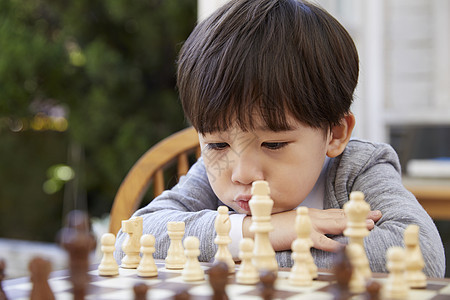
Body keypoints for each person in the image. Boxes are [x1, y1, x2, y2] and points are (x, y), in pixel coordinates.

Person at [114, 0, 445, 277]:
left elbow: (423, 256)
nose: (242, 173)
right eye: (217, 144)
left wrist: (247, 255)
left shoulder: (359, 168)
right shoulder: (211, 172)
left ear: (336, 133)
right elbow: (131, 240)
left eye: (272, 144)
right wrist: (261, 232)